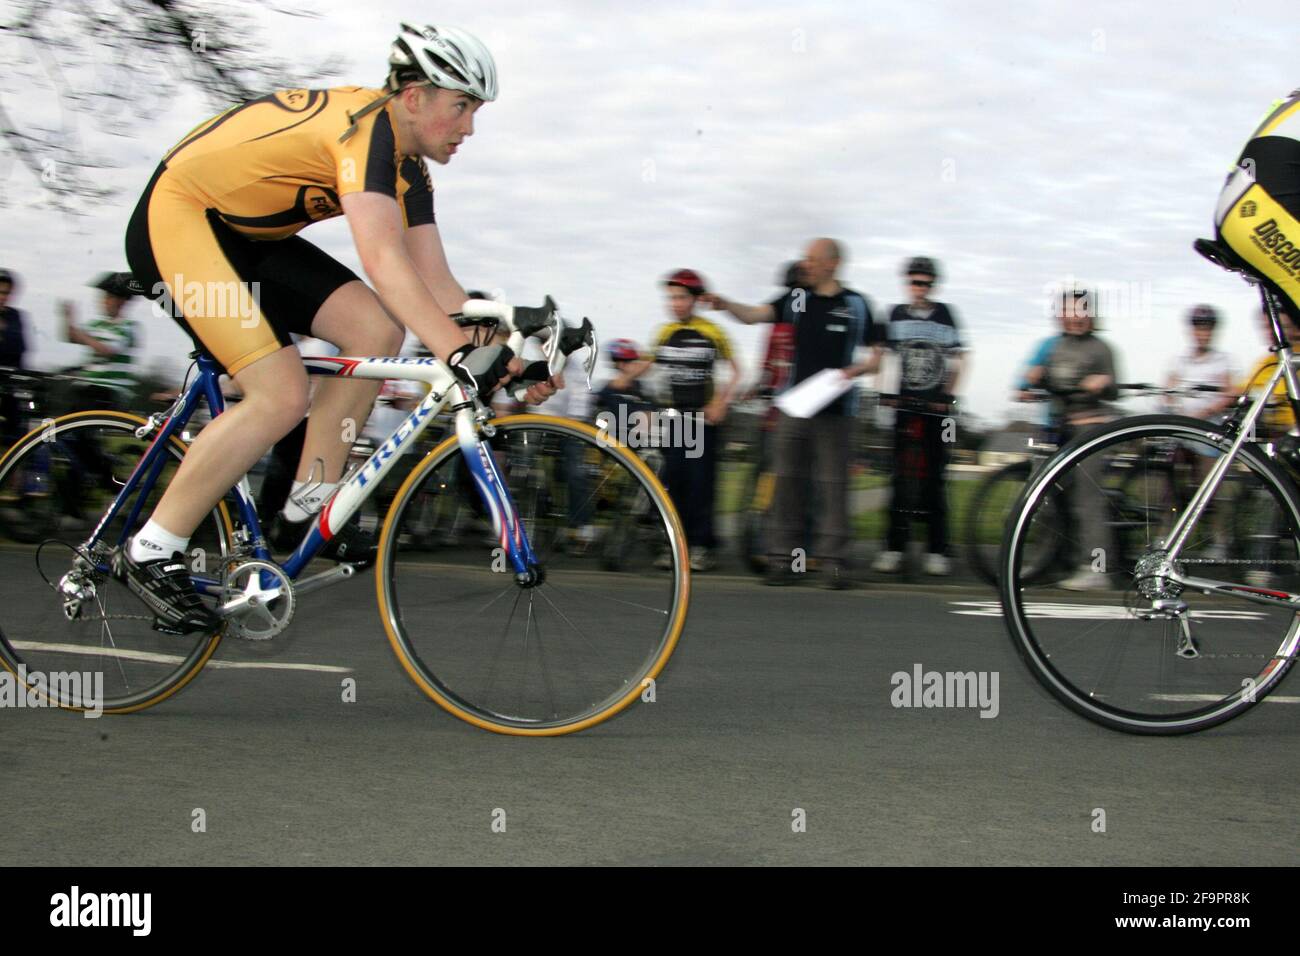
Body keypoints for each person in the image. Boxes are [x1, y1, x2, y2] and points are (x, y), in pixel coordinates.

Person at [115, 23, 559, 634]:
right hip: (180, 217)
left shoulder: (410, 172)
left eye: (475, 111)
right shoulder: (366, 129)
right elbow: (383, 261)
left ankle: (306, 504)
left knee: (377, 331)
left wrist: (508, 357)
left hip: (248, 240)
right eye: (461, 106)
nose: (469, 127)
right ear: (414, 96)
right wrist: (459, 353)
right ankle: (152, 548)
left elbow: (438, 288)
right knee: (280, 390)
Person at [703, 239, 880, 589]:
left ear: (833, 264)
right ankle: (782, 560)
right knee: (786, 486)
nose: (806, 265)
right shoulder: (797, 300)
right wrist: (723, 304)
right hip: (793, 409)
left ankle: (833, 565)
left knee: (833, 488)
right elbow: (754, 315)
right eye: (805, 259)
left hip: (837, 411)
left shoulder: (858, 305)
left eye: (812, 260)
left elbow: (877, 357)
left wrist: (854, 371)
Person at [629, 268, 739, 572]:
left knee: (700, 485)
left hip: (703, 420)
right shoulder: (664, 332)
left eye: (681, 298)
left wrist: (721, 402)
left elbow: (738, 371)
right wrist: (625, 379)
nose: (675, 304)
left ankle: (703, 546)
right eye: (671, 298)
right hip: (673, 421)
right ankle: (675, 546)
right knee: (672, 484)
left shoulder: (713, 332)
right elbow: (648, 366)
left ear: (695, 299)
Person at [872, 256, 966, 576]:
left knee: (934, 481)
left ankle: (937, 549)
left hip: (936, 409)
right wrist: (882, 392)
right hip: (903, 405)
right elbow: (883, 356)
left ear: (933, 285)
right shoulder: (894, 314)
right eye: (914, 282)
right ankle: (893, 547)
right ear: (907, 283)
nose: (920, 288)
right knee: (899, 479)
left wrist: (948, 395)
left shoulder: (946, 315)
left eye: (925, 283)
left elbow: (960, 359)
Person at [1022, 287, 1119, 590]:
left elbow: (1114, 388)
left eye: (1081, 312)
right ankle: (1046, 563)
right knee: (1048, 498)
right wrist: (1033, 379)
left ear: (1090, 315)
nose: (1075, 318)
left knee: (1086, 501)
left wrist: (1103, 383)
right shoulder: (1056, 348)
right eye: (1069, 312)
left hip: (1090, 429)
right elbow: (1045, 381)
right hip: (1059, 429)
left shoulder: (1101, 348)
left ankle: (1096, 568)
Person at [60, 272, 144, 409]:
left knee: (83, 397)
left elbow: (107, 350)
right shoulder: (97, 325)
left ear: (121, 301)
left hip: (110, 389)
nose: (103, 302)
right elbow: (71, 337)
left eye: (108, 298)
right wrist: (68, 319)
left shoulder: (128, 327)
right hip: (90, 387)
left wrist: (82, 336)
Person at [0, 269, 29, 449]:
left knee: (17, 442)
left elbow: (20, 347)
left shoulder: (15, 316)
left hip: (9, 385)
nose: (3, 297)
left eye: (6, 293)